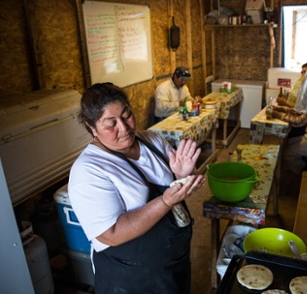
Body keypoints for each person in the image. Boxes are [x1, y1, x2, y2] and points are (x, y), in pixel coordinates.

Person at [68, 82, 205, 293]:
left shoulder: (151, 140)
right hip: (131, 278)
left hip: (172, 263)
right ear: (91, 127)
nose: (124, 128)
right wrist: (165, 201)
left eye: (126, 115)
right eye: (110, 124)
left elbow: (175, 183)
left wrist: (182, 175)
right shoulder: (88, 171)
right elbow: (110, 233)